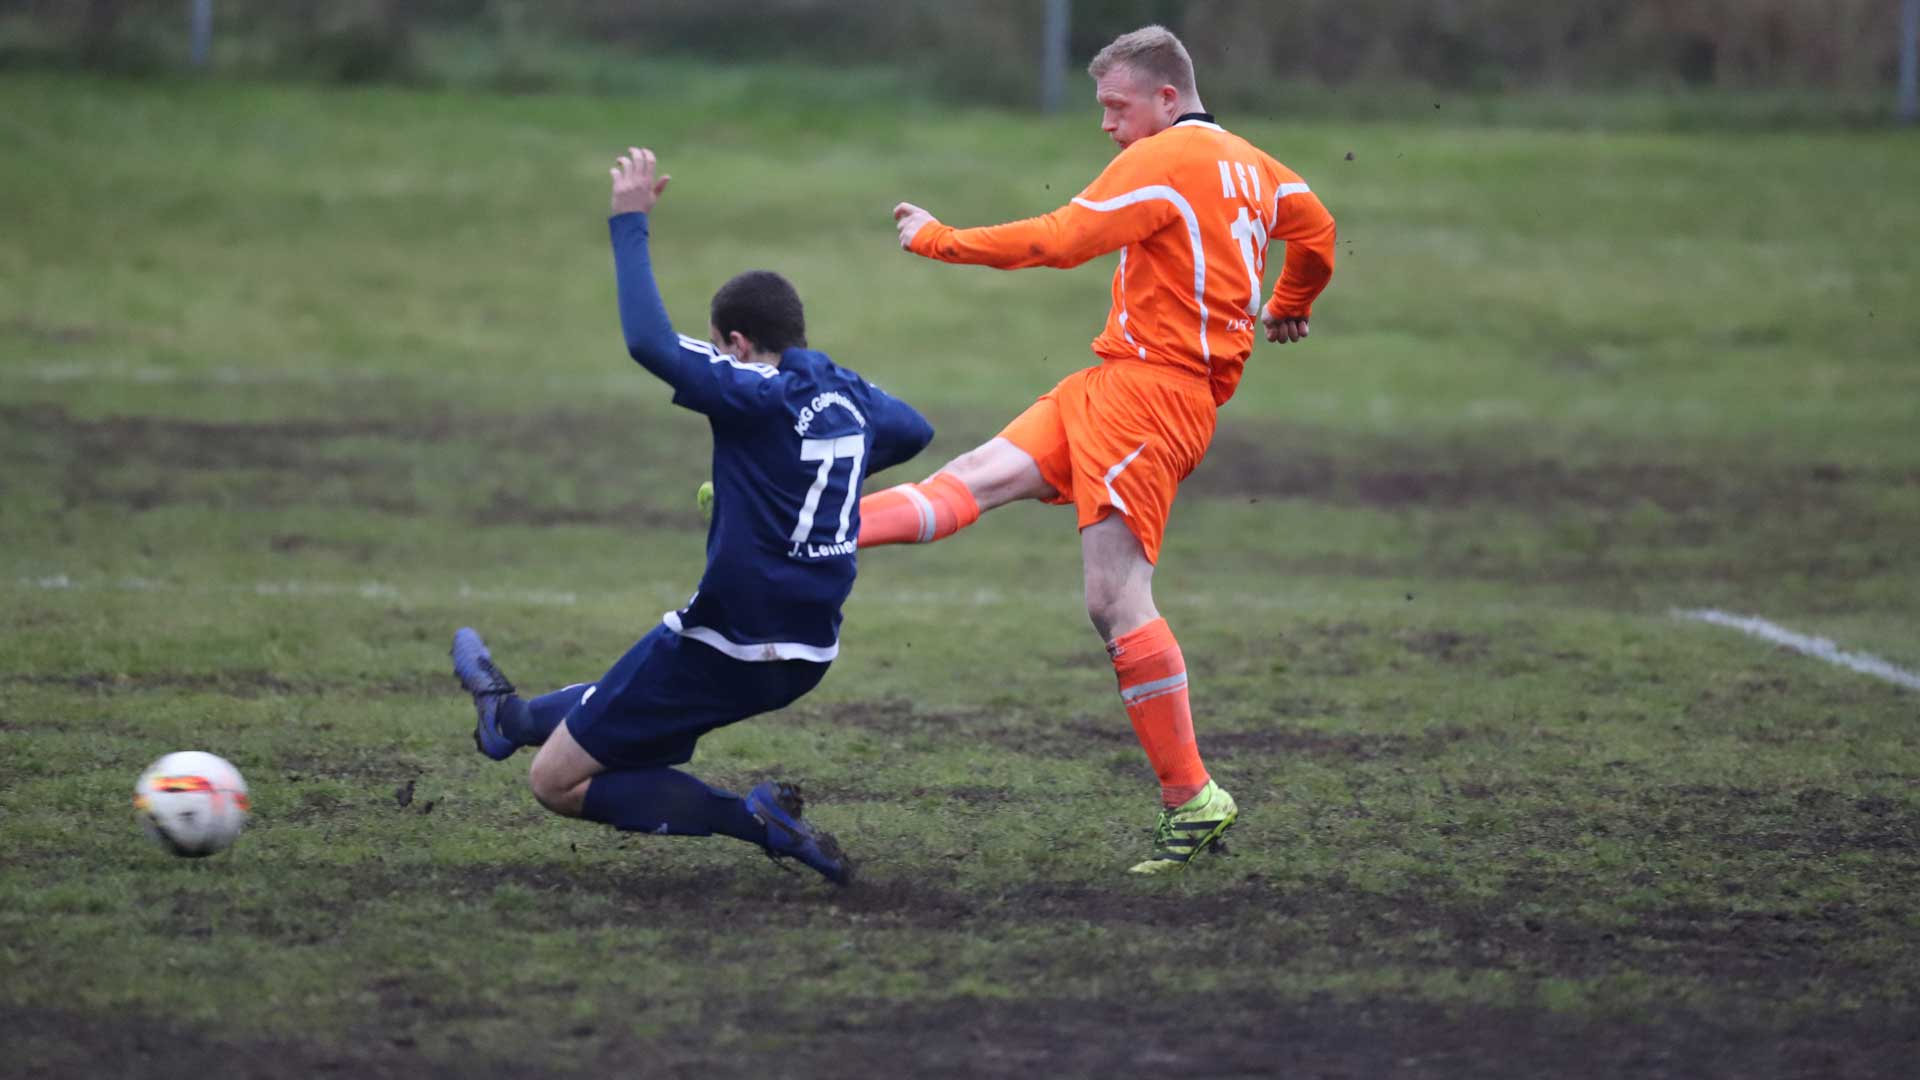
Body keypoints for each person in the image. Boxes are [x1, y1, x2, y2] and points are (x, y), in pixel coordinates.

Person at [859, 25, 1337, 874]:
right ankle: (804, 525)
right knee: (970, 478)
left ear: (1165, 95)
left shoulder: (1166, 163)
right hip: (1116, 382)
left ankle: (1193, 798)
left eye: (1116, 108)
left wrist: (939, 238)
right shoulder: (1256, 165)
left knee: (1116, 600)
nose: (1107, 126)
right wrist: (1289, 300)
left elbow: (1058, 240)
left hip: (1154, 398)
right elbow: (1317, 227)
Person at [450, 146, 935, 886]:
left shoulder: (753, 391)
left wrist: (628, 221)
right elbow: (914, 430)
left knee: (556, 783)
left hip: (725, 644)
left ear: (738, 344)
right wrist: (808, 470)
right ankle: (506, 720)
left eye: (722, 348)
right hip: (805, 657)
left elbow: (647, 342)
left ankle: (755, 820)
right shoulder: (844, 394)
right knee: (626, 704)